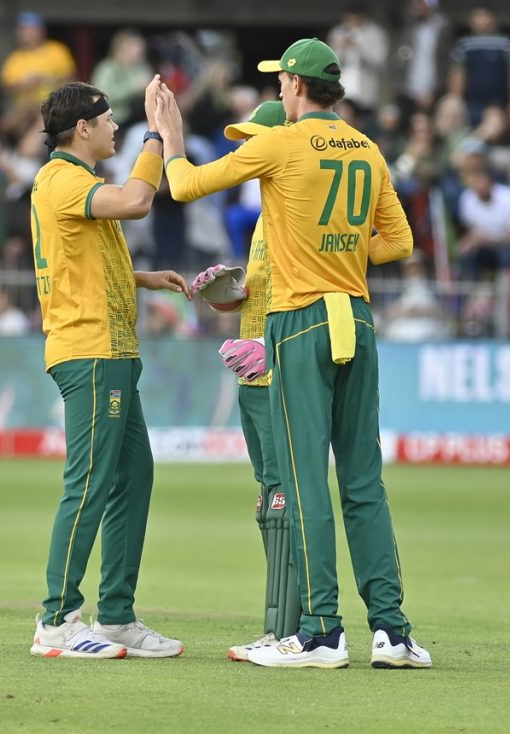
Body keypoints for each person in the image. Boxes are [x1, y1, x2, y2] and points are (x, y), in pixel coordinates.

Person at [155, 38, 433, 669]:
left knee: (305, 479)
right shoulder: (367, 148)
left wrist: (170, 134)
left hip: (301, 322)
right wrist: (337, 250)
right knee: (364, 481)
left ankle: (321, 632)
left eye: (281, 80)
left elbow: (185, 184)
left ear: (297, 86)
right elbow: (400, 242)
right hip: (355, 320)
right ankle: (391, 632)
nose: (277, 88)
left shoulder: (282, 141)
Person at [29, 79, 189, 659]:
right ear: (83, 129)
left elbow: (82, 257)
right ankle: (57, 621)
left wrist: (144, 278)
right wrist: (158, 136)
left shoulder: (72, 181)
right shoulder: (65, 178)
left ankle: (117, 616)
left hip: (112, 350)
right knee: (92, 481)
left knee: (133, 477)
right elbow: (138, 201)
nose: (116, 127)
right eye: (109, 118)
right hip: (91, 349)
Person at [188, 101, 302, 662]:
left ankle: (295, 631)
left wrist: (270, 351)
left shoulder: (298, 211)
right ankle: (276, 628)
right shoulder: (262, 215)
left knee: (287, 496)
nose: (246, 152)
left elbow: (308, 302)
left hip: (280, 371)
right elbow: (264, 295)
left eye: (255, 140)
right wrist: (229, 297)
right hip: (251, 372)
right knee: (268, 498)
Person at [447, 5, 510, 126]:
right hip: (471, 103)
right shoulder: (464, 44)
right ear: (471, 20)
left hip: (500, 103)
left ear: (494, 19)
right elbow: (457, 74)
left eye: (485, 16)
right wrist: (456, 103)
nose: (482, 20)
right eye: (478, 16)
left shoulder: (505, 43)